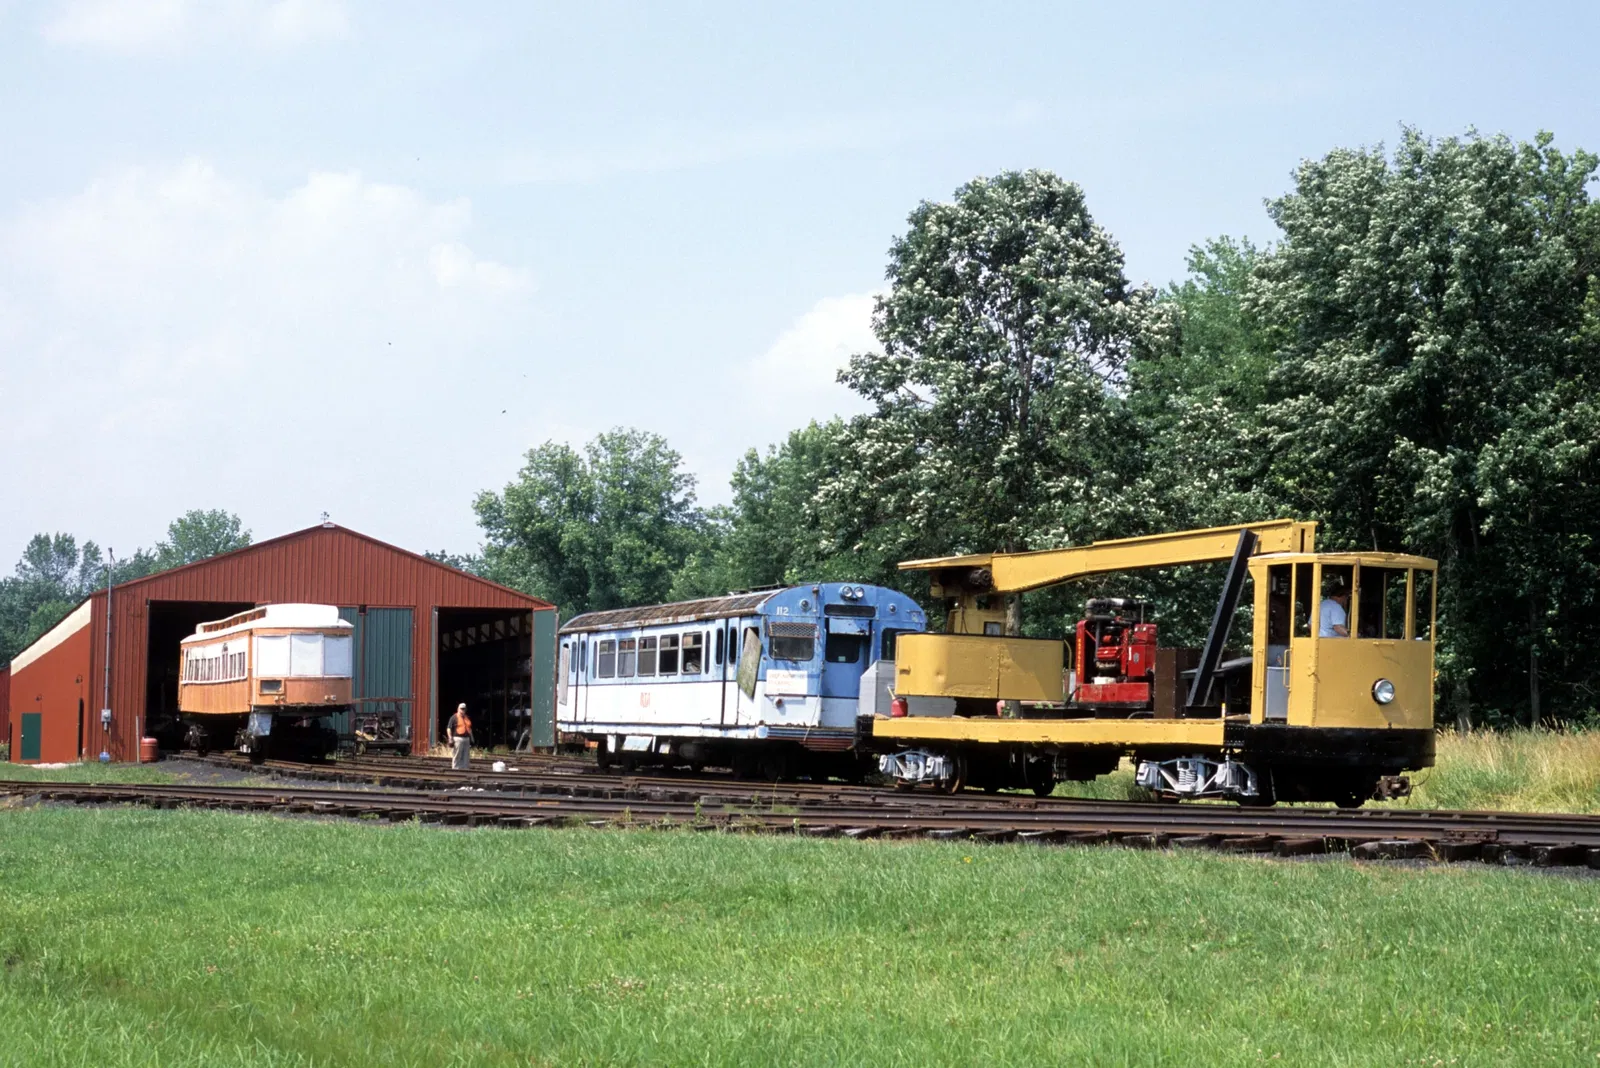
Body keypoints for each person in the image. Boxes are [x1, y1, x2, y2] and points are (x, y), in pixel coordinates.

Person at [447, 703, 473, 770]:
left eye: (464, 709)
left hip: (466, 739)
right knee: (457, 755)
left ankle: (465, 770)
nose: (463, 710)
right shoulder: (454, 717)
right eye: (461, 709)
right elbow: (449, 728)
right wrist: (450, 738)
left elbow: (469, 728)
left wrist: (472, 738)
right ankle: (455, 769)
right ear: (458, 709)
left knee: (466, 756)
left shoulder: (467, 718)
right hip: (457, 739)